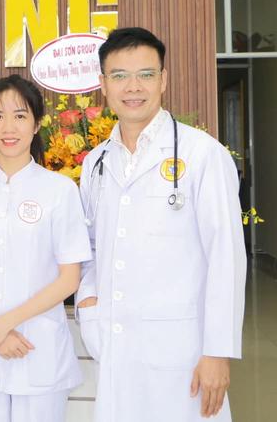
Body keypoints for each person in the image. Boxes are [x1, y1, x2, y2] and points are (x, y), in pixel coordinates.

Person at [75, 27, 246, 421]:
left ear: (163, 80)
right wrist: (88, 301)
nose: (133, 87)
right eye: (120, 75)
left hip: (183, 350)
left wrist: (217, 351)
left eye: (146, 74)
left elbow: (227, 256)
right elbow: (90, 246)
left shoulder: (202, 154)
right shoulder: (96, 162)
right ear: (103, 84)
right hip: (116, 345)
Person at [0, 74, 91, 421]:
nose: (8, 127)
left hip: (37, 346)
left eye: (20, 115)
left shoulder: (60, 191)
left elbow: (69, 278)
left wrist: (5, 324)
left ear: (36, 124)